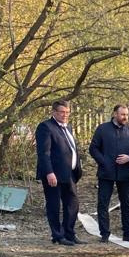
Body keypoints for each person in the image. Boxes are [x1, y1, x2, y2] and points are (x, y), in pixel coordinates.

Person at [89, 104, 129, 243]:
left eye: (126, 115)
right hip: (106, 173)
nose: (125, 117)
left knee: (127, 203)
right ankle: (104, 234)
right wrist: (104, 161)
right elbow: (93, 148)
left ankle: (128, 234)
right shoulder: (102, 129)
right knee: (103, 204)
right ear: (115, 114)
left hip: (125, 173)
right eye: (122, 114)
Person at [35, 99, 83, 246]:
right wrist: (49, 172)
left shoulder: (68, 127)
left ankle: (69, 233)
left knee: (73, 203)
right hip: (54, 174)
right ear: (54, 112)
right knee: (54, 204)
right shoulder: (46, 127)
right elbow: (44, 153)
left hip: (69, 173)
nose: (65, 115)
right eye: (62, 112)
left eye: (67, 112)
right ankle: (58, 235)